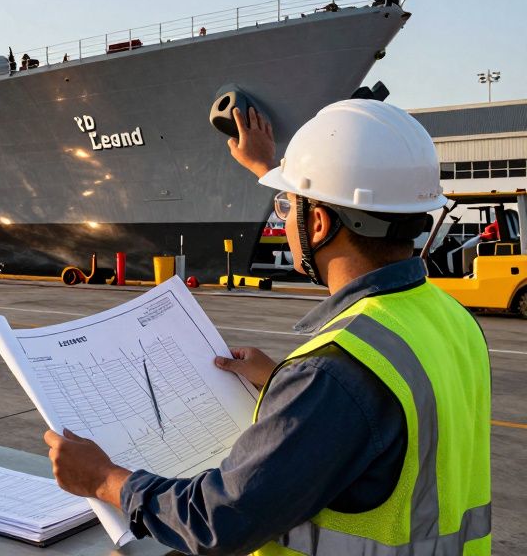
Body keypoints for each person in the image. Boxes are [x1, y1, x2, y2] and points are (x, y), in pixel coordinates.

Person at [44, 100, 491, 554]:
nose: (282, 217)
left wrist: (105, 479)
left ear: (317, 223)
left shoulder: (333, 375)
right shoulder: (451, 319)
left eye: (286, 205)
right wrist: (283, 382)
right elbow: (383, 424)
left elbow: (217, 522)